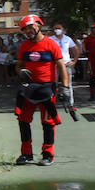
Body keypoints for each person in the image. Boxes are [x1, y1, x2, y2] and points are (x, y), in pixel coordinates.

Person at [13, 14, 70, 166]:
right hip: (29, 88)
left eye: (31, 27)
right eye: (25, 29)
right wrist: (20, 71)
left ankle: (47, 154)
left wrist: (65, 87)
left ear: (38, 26)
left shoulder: (51, 44)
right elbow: (18, 65)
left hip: (47, 88)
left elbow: (61, 66)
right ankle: (26, 153)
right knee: (23, 120)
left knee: (47, 122)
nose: (28, 31)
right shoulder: (24, 46)